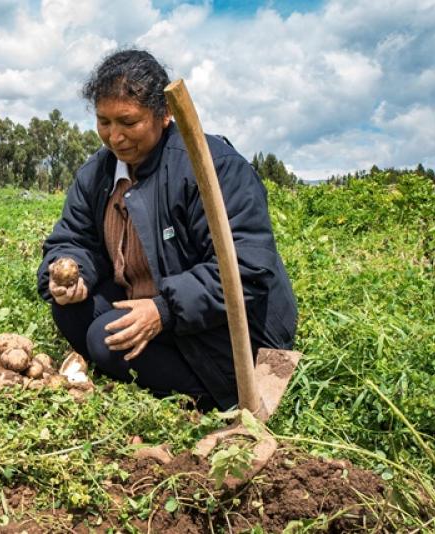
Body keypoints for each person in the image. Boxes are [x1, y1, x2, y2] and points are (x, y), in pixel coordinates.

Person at [36, 49, 297, 411]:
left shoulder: (211, 167)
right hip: (153, 302)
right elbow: (74, 238)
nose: (115, 137)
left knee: (103, 341)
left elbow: (246, 268)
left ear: (164, 115)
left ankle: (209, 394)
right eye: (104, 122)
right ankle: (156, 372)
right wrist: (70, 271)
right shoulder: (97, 174)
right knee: (70, 311)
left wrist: (163, 310)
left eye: (128, 122)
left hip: (227, 328)